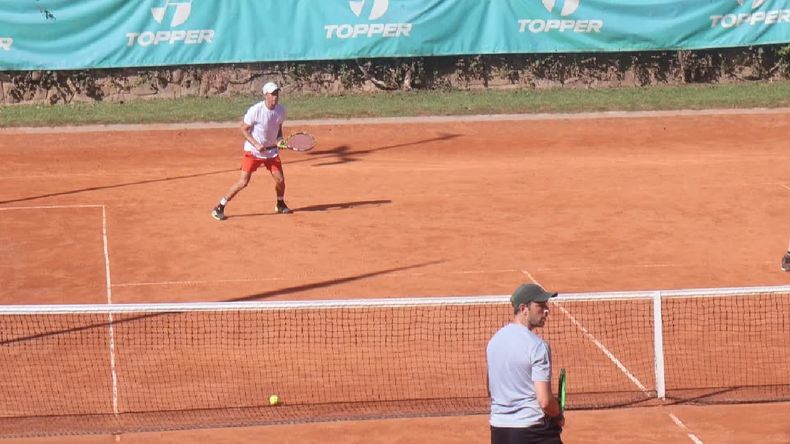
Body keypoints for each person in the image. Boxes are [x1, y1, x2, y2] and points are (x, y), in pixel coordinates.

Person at [486, 283, 565, 444]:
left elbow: (490, 389)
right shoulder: (537, 346)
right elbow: (544, 401)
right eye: (540, 306)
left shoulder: (493, 342)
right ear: (524, 309)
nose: (546, 310)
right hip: (533, 432)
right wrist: (557, 414)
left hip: (499, 431)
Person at [211, 81, 291, 221]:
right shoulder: (256, 110)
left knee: (280, 180)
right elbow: (243, 129)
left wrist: (279, 140)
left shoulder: (281, 110)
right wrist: (256, 144)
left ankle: (280, 203)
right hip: (253, 152)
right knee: (243, 182)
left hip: (271, 153)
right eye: (272, 94)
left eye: (277, 93)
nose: (275, 97)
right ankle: (220, 207)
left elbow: (278, 128)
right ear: (265, 95)